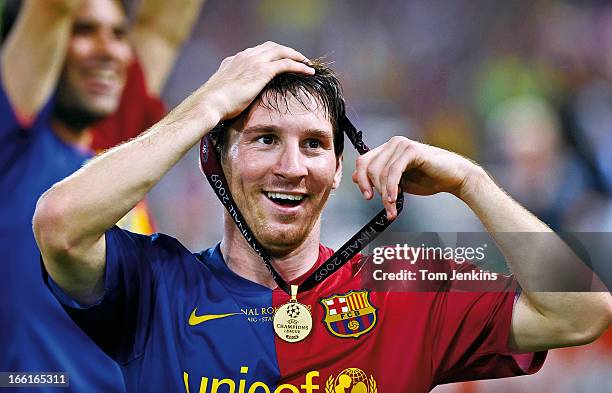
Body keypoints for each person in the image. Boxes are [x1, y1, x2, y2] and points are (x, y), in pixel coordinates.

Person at [33, 42, 610, 393]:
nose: (292, 167)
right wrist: (202, 109)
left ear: (338, 170)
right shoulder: (155, 283)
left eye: (314, 145)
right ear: (216, 160)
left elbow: (581, 311)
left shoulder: (401, 285)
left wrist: (471, 182)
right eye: (264, 139)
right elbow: (59, 221)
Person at [0, 0, 203, 391]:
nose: (109, 50)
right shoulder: (13, 142)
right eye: (84, 30)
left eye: (118, 33)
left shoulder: (113, 144)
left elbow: (165, 24)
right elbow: (52, 7)